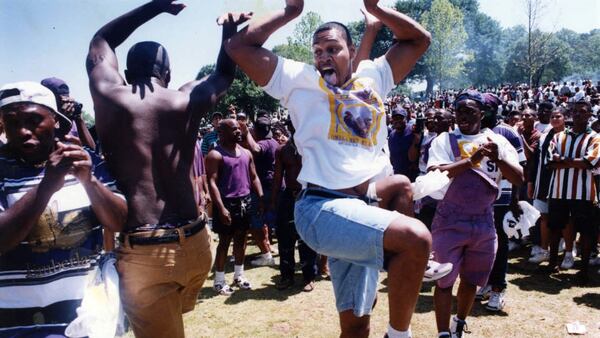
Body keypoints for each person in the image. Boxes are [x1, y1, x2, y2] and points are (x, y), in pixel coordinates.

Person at [225, 1, 449, 337]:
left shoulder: (373, 76)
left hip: (365, 210)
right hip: (322, 209)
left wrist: (377, 9)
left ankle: (388, 271)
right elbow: (238, 47)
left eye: (332, 48)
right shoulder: (298, 81)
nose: (323, 57)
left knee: (357, 324)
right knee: (417, 239)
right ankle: (399, 334)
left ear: (352, 50)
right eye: (317, 51)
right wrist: (290, 13)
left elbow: (419, 40)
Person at [86, 1, 250, 336]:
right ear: (169, 75)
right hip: (196, 245)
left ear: (127, 75)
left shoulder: (110, 95)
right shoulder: (185, 100)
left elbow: (102, 40)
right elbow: (223, 75)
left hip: (147, 252)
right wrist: (228, 32)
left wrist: (157, 7)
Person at [0, 82, 126, 337]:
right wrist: (47, 185)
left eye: (34, 120)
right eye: (12, 122)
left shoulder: (87, 160)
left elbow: (122, 223)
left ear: (56, 121)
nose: (23, 131)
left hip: (86, 317)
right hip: (17, 322)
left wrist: (89, 180)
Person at [427, 90, 523, 337]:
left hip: (483, 219)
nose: (463, 116)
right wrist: (472, 160)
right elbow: (438, 172)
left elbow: (519, 178)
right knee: (444, 278)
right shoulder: (445, 140)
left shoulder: (497, 140)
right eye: (459, 111)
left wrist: (499, 160)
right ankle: (442, 333)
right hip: (449, 218)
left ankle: (458, 323)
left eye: (470, 111)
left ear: (482, 113)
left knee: (472, 279)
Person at [474, 93, 526, 312]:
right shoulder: (474, 132)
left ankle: (498, 288)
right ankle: (485, 282)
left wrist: (515, 198)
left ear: (494, 110)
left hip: (501, 196)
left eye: (485, 108)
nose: (482, 112)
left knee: (500, 242)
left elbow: (521, 167)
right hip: (478, 196)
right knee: (482, 243)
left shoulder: (507, 132)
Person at [206, 119, 262, 295]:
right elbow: (212, 183)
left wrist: (260, 198)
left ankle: (239, 275)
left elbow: (254, 177)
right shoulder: (215, 155)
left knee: (242, 239)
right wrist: (221, 208)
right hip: (227, 203)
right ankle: (219, 280)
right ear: (222, 132)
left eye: (239, 129)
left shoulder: (246, 153)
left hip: (245, 202)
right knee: (224, 242)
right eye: (234, 129)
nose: (238, 132)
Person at [546, 101, 600, 285]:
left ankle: (583, 269)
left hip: (583, 192)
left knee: (585, 232)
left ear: (589, 115)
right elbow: (549, 162)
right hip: (558, 190)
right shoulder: (559, 136)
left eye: (582, 112)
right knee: (555, 228)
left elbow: (589, 163)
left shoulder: (595, 137)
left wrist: (562, 159)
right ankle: (552, 263)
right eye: (575, 111)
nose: (578, 115)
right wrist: (573, 162)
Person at [271, 122, 318, 291]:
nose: (295, 128)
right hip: (289, 196)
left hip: (308, 196)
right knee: (285, 238)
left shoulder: (313, 148)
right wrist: (273, 201)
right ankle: (286, 276)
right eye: (291, 125)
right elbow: (278, 177)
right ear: (288, 128)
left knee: (307, 238)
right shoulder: (283, 150)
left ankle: (309, 276)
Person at [240, 114, 278, 266]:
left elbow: (255, 150)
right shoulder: (274, 142)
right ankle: (268, 249)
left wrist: (247, 133)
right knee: (266, 221)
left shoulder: (265, 144)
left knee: (255, 222)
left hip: (263, 188)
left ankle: (267, 256)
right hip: (271, 187)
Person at [41, 77, 97, 151]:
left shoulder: (72, 119)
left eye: (67, 99)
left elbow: (91, 149)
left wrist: (78, 118)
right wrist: (63, 126)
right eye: (60, 100)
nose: (66, 104)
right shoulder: (41, 121)